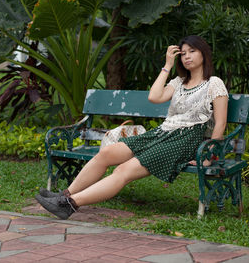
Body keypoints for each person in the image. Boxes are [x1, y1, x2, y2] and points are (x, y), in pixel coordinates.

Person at [35, 35, 229, 220]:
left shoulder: (214, 83)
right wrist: (168, 65)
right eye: (183, 53)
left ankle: (69, 204)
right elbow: (154, 97)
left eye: (192, 51)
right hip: (161, 133)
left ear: (203, 53)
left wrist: (209, 157)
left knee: (123, 171)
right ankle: (64, 194)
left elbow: (220, 123)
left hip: (184, 140)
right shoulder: (179, 82)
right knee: (107, 153)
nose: (187, 56)